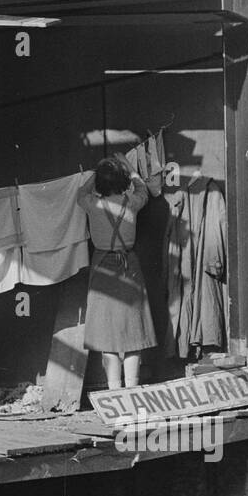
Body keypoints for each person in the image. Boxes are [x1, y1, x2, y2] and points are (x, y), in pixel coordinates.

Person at [78, 154, 155, 389]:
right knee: (134, 334)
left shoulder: (92, 204)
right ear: (123, 182)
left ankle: (114, 391)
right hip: (129, 265)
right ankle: (131, 391)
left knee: (106, 336)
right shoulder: (132, 202)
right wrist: (128, 166)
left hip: (102, 267)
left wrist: (97, 172)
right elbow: (143, 187)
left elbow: (81, 192)